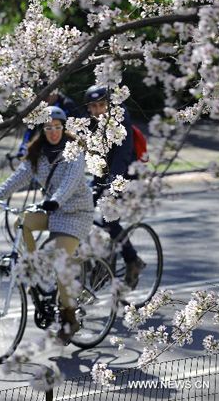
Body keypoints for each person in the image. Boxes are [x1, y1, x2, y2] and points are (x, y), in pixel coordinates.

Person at [0, 106, 93, 344]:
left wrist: (55, 201)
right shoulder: (38, 153)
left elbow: (71, 182)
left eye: (57, 127)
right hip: (52, 211)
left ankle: (69, 316)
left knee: (60, 259)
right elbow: (19, 176)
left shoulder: (75, 150)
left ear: (64, 128)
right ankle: (35, 270)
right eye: (48, 128)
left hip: (76, 213)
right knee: (21, 221)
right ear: (42, 130)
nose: (53, 132)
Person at [84, 85, 145, 288]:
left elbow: (122, 153)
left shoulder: (120, 117)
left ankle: (132, 259)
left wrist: (113, 184)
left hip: (124, 174)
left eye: (102, 105)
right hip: (100, 172)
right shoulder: (89, 122)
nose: (98, 110)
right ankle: (99, 259)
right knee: (83, 211)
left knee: (108, 217)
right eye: (93, 106)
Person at [15, 91, 81, 158]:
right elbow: (30, 130)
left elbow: (78, 126)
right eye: (42, 95)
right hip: (45, 143)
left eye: (48, 94)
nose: (45, 97)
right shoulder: (39, 106)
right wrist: (23, 148)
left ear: (56, 92)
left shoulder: (67, 104)